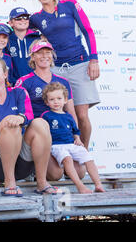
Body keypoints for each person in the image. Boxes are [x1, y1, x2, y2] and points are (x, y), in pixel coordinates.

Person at [0, 57, 62, 196]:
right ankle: (10, 183)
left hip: (22, 163)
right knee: (9, 123)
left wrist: (19, 118)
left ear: (5, 74)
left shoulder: (18, 92)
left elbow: (29, 115)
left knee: (40, 123)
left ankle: (42, 182)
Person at [29, 0, 100, 149]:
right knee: (63, 113)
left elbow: (88, 31)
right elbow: (25, 34)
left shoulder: (70, 5)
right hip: (56, 69)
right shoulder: (36, 18)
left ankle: (83, 154)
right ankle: (66, 153)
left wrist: (94, 59)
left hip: (79, 64)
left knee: (81, 115)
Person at [14, 40, 85, 181]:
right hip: (39, 134)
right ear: (32, 56)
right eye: (40, 53)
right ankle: (33, 163)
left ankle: (61, 159)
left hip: (61, 135)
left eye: (48, 52)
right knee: (55, 175)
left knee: (80, 173)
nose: (44, 56)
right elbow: (19, 114)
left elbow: (71, 112)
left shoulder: (63, 82)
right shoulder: (24, 81)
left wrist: (75, 135)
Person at [41, 82, 105, 194]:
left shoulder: (68, 116)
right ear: (47, 102)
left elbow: (75, 130)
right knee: (67, 159)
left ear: (65, 100)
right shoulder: (46, 115)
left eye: (59, 98)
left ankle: (98, 185)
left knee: (88, 158)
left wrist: (78, 139)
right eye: (52, 99)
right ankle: (80, 186)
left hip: (71, 144)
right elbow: (43, 131)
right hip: (57, 146)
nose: (56, 102)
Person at [6, 7, 41, 82]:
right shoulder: (6, 40)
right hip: (15, 83)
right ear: (11, 23)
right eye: (18, 18)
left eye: (26, 17)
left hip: (35, 82)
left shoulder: (37, 38)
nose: (23, 20)